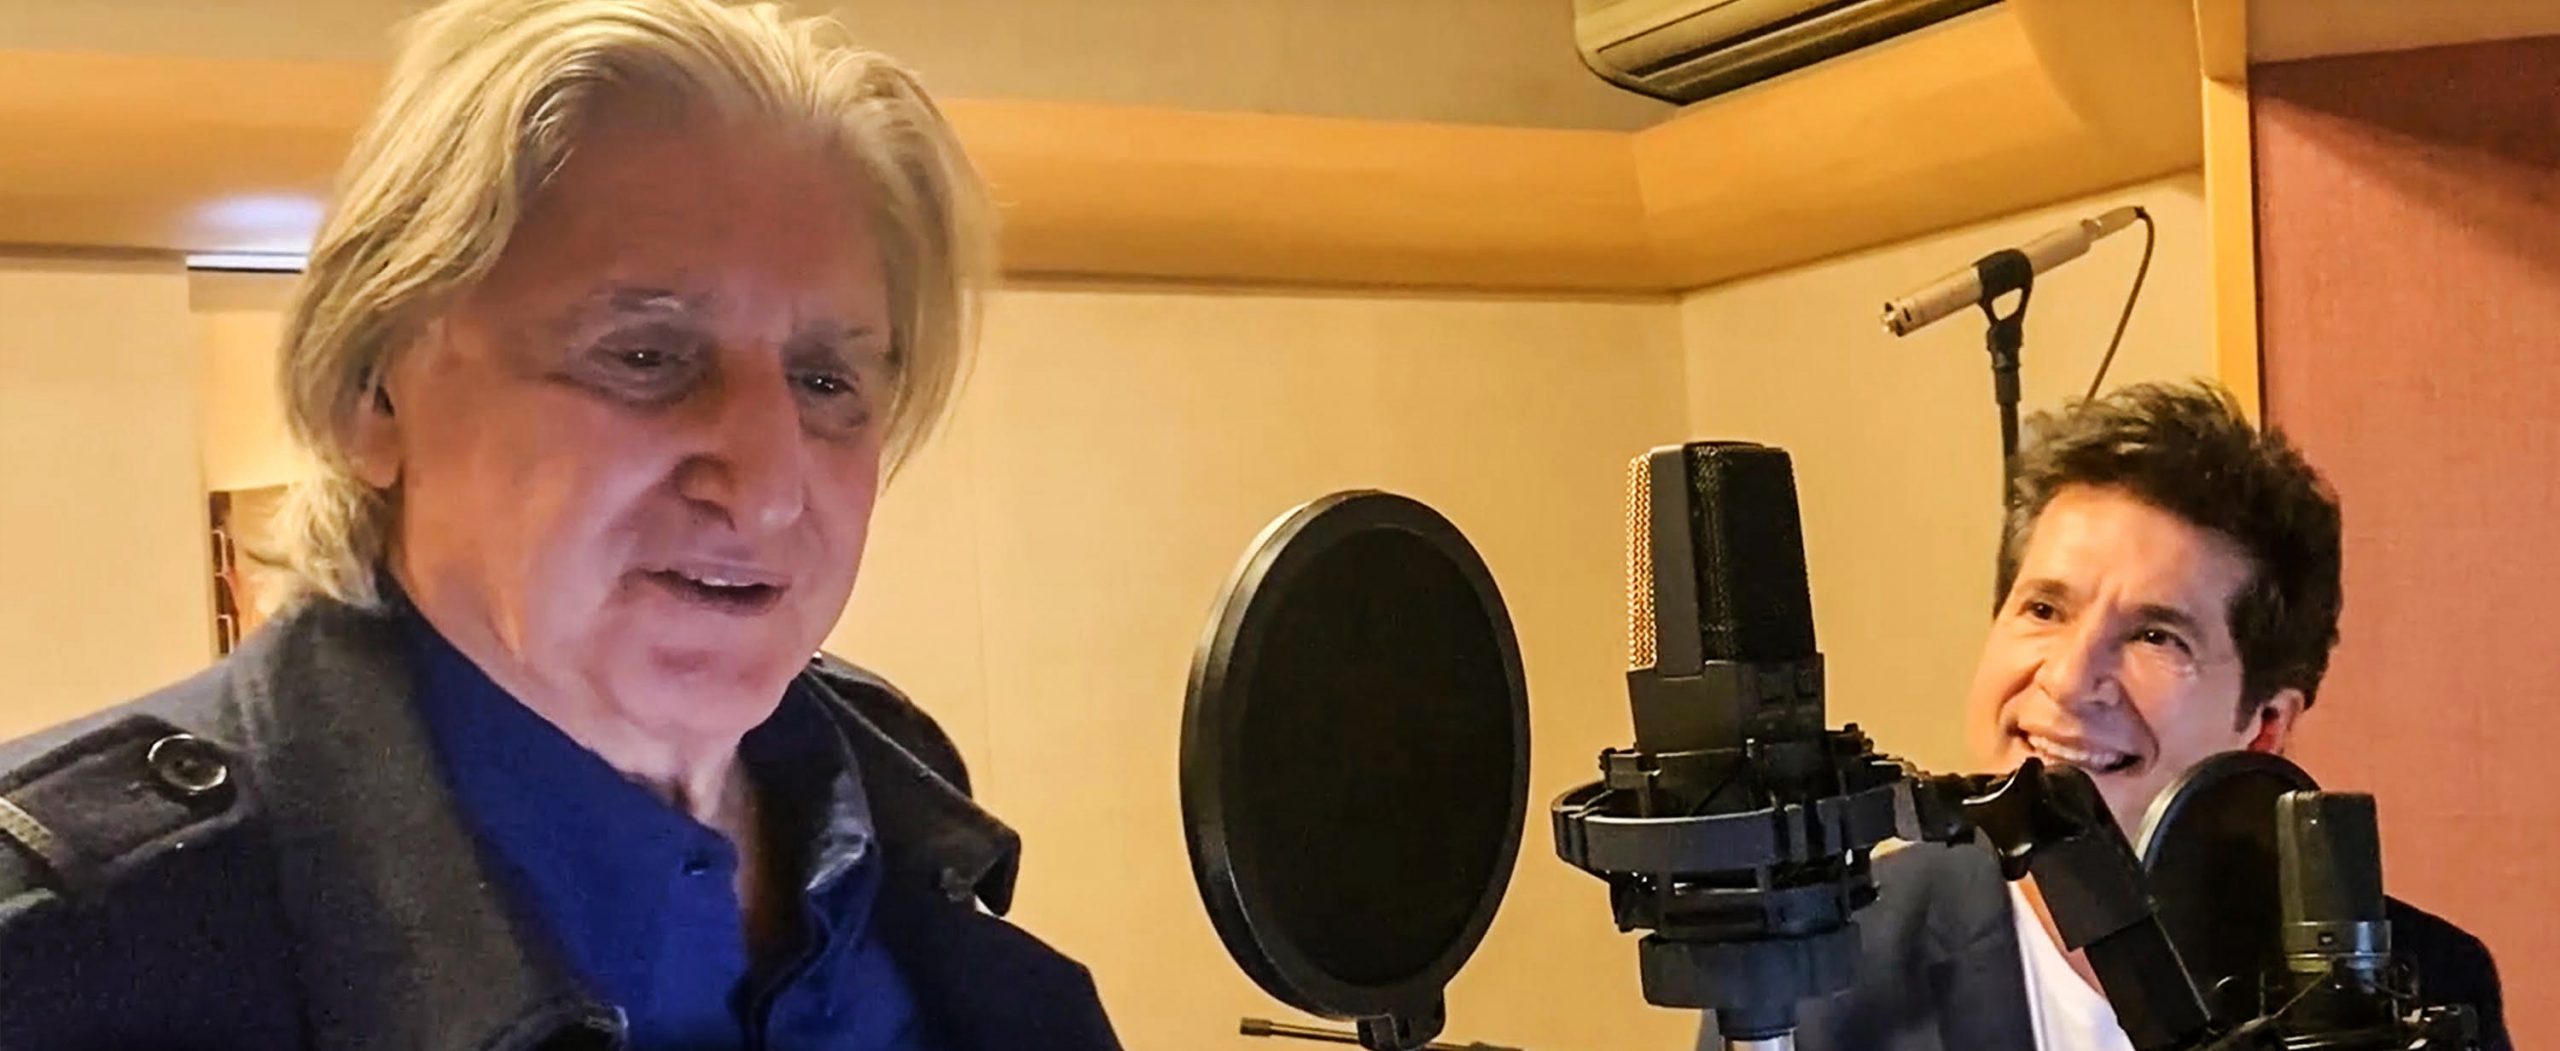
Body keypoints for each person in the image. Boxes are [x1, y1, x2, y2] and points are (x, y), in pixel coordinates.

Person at [0, 1, 1120, 1047]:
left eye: (827, 381)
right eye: (645, 355)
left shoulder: (904, 824)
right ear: (373, 393)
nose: (770, 487)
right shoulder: (67, 953)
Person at [1697, 381, 2505, 1051]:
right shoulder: (1816, 973)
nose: (2069, 678)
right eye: (2044, 608)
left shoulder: (2421, 987)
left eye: (2155, 635)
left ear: (2264, 723)